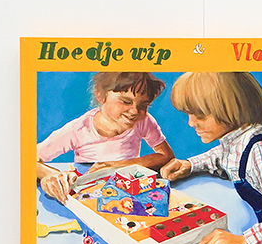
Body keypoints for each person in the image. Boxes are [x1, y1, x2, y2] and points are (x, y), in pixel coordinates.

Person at [159, 72, 262, 244]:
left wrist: (244, 241)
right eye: (189, 114)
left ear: (232, 108)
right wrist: (190, 165)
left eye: (200, 115)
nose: (191, 123)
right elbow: (224, 154)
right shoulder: (241, 138)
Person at [35, 72, 173, 202]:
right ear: (101, 96)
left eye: (143, 105)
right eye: (126, 102)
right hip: (87, 191)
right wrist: (52, 175)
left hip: (127, 191)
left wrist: (114, 166)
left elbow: (166, 155)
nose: (135, 111)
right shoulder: (79, 129)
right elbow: (29, 159)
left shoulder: (143, 121)